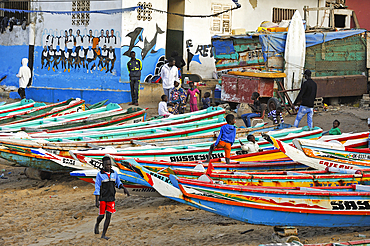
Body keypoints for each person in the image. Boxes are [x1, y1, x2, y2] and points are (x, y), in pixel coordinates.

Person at [94, 156, 130, 240]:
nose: (108, 166)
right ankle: (97, 224)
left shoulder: (114, 173)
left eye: (110, 165)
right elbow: (97, 187)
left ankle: (103, 234)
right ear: (103, 165)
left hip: (111, 198)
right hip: (103, 198)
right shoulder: (100, 175)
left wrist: (124, 188)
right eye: (106, 165)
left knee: (109, 216)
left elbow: (118, 183)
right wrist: (96, 200)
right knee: (101, 216)